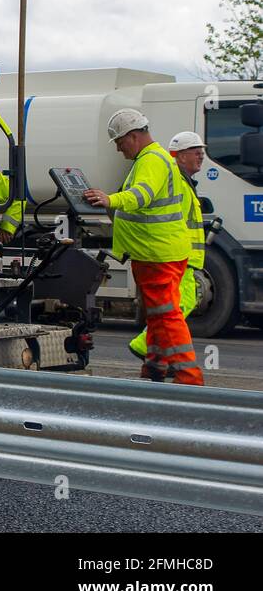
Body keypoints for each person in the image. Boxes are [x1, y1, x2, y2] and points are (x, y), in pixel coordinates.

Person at [84, 109, 202, 385]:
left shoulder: (151, 160)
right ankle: (154, 368)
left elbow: (142, 195)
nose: (117, 148)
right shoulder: (158, 158)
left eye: (119, 141)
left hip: (156, 254)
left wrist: (109, 200)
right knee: (160, 316)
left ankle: (190, 379)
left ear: (133, 136)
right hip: (163, 251)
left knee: (168, 316)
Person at [128, 131, 207, 362]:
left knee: (176, 306)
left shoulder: (185, 182)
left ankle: (156, 355)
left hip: (184, 255)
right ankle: (146, 347)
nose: (201, 156)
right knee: (178, 305)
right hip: (179, 256)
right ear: (180, 156)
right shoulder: (179, 183)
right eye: (196, 152)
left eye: (201, 151)